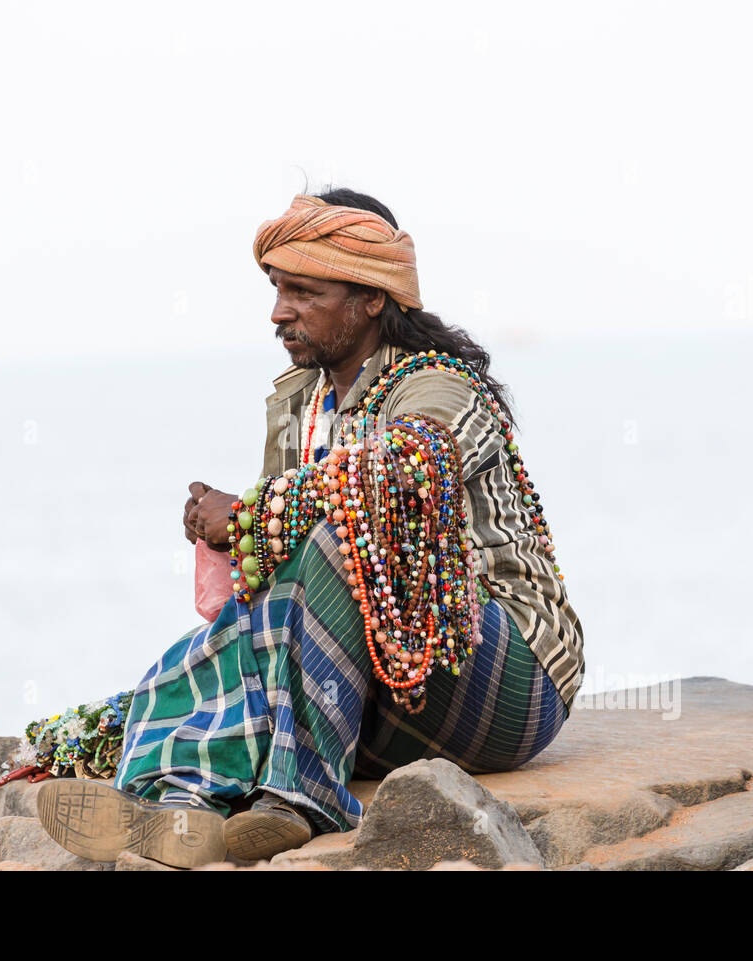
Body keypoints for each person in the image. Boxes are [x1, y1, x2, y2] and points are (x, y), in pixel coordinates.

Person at [37, 188, 584, 868]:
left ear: (372, 298)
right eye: (276, 288)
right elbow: (283, 584)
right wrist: (235, 542)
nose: (279, 311)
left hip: (502, 680)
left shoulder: (439, 385)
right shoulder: (301, 401)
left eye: (303, 291)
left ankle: (298, 802)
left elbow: (405, 470)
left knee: (348, 532)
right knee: (230, 634)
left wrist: (252, 514)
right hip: (384, 687)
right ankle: (182, 806)